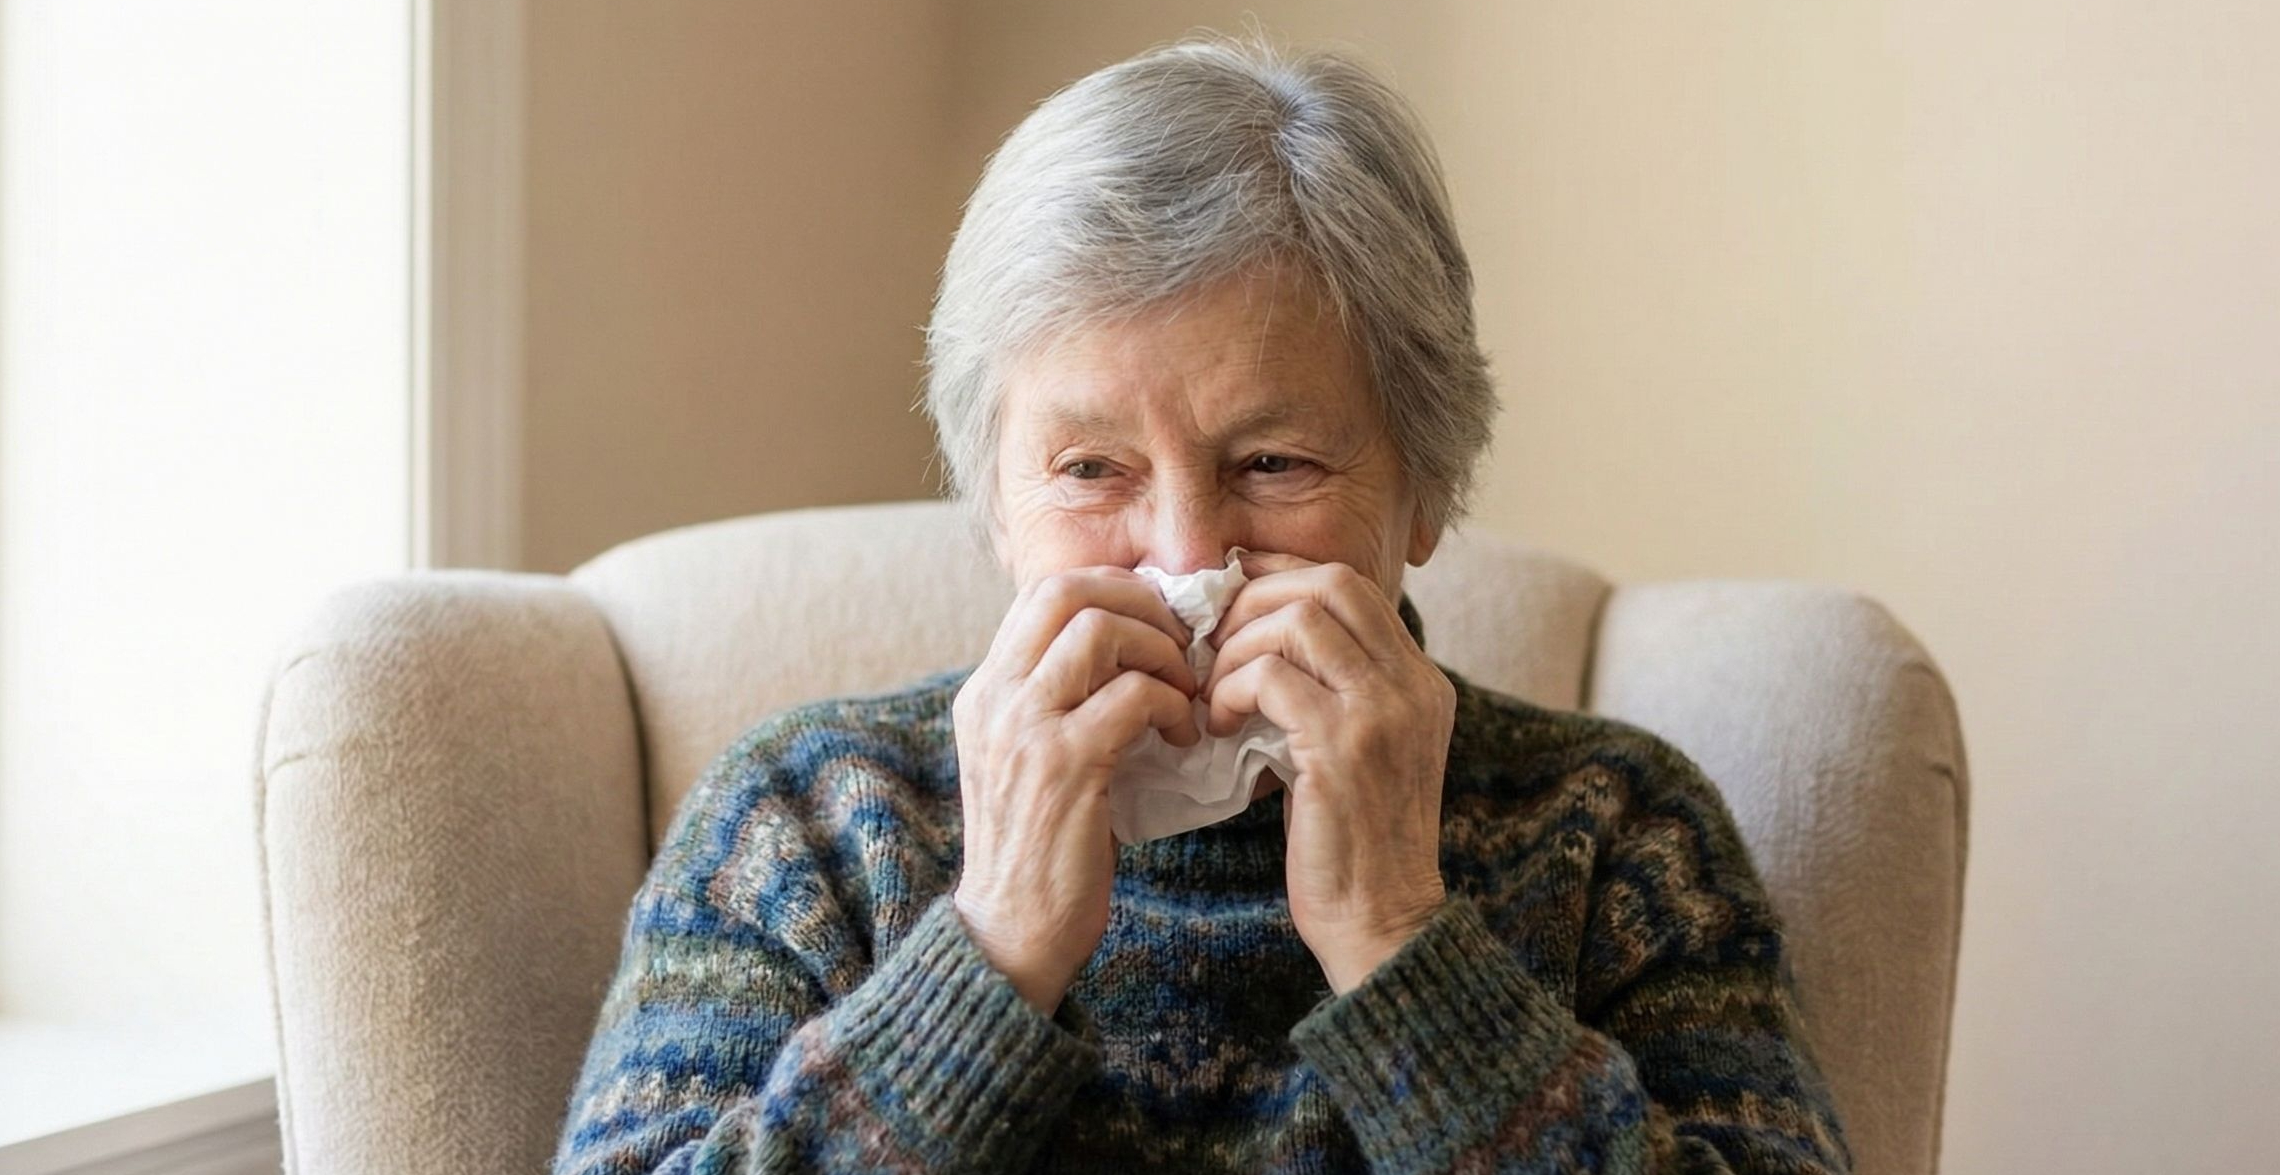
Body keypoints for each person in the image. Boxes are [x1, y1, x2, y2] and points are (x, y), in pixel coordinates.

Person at [551, 33, 1852, 1175]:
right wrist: (990, 955)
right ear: (996, 506)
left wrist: (1403, 943)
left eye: (1274, 463)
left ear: (1425, 490)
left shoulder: (1613, 833)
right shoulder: (810, 825)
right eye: (1090, 470)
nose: (1187, 559)